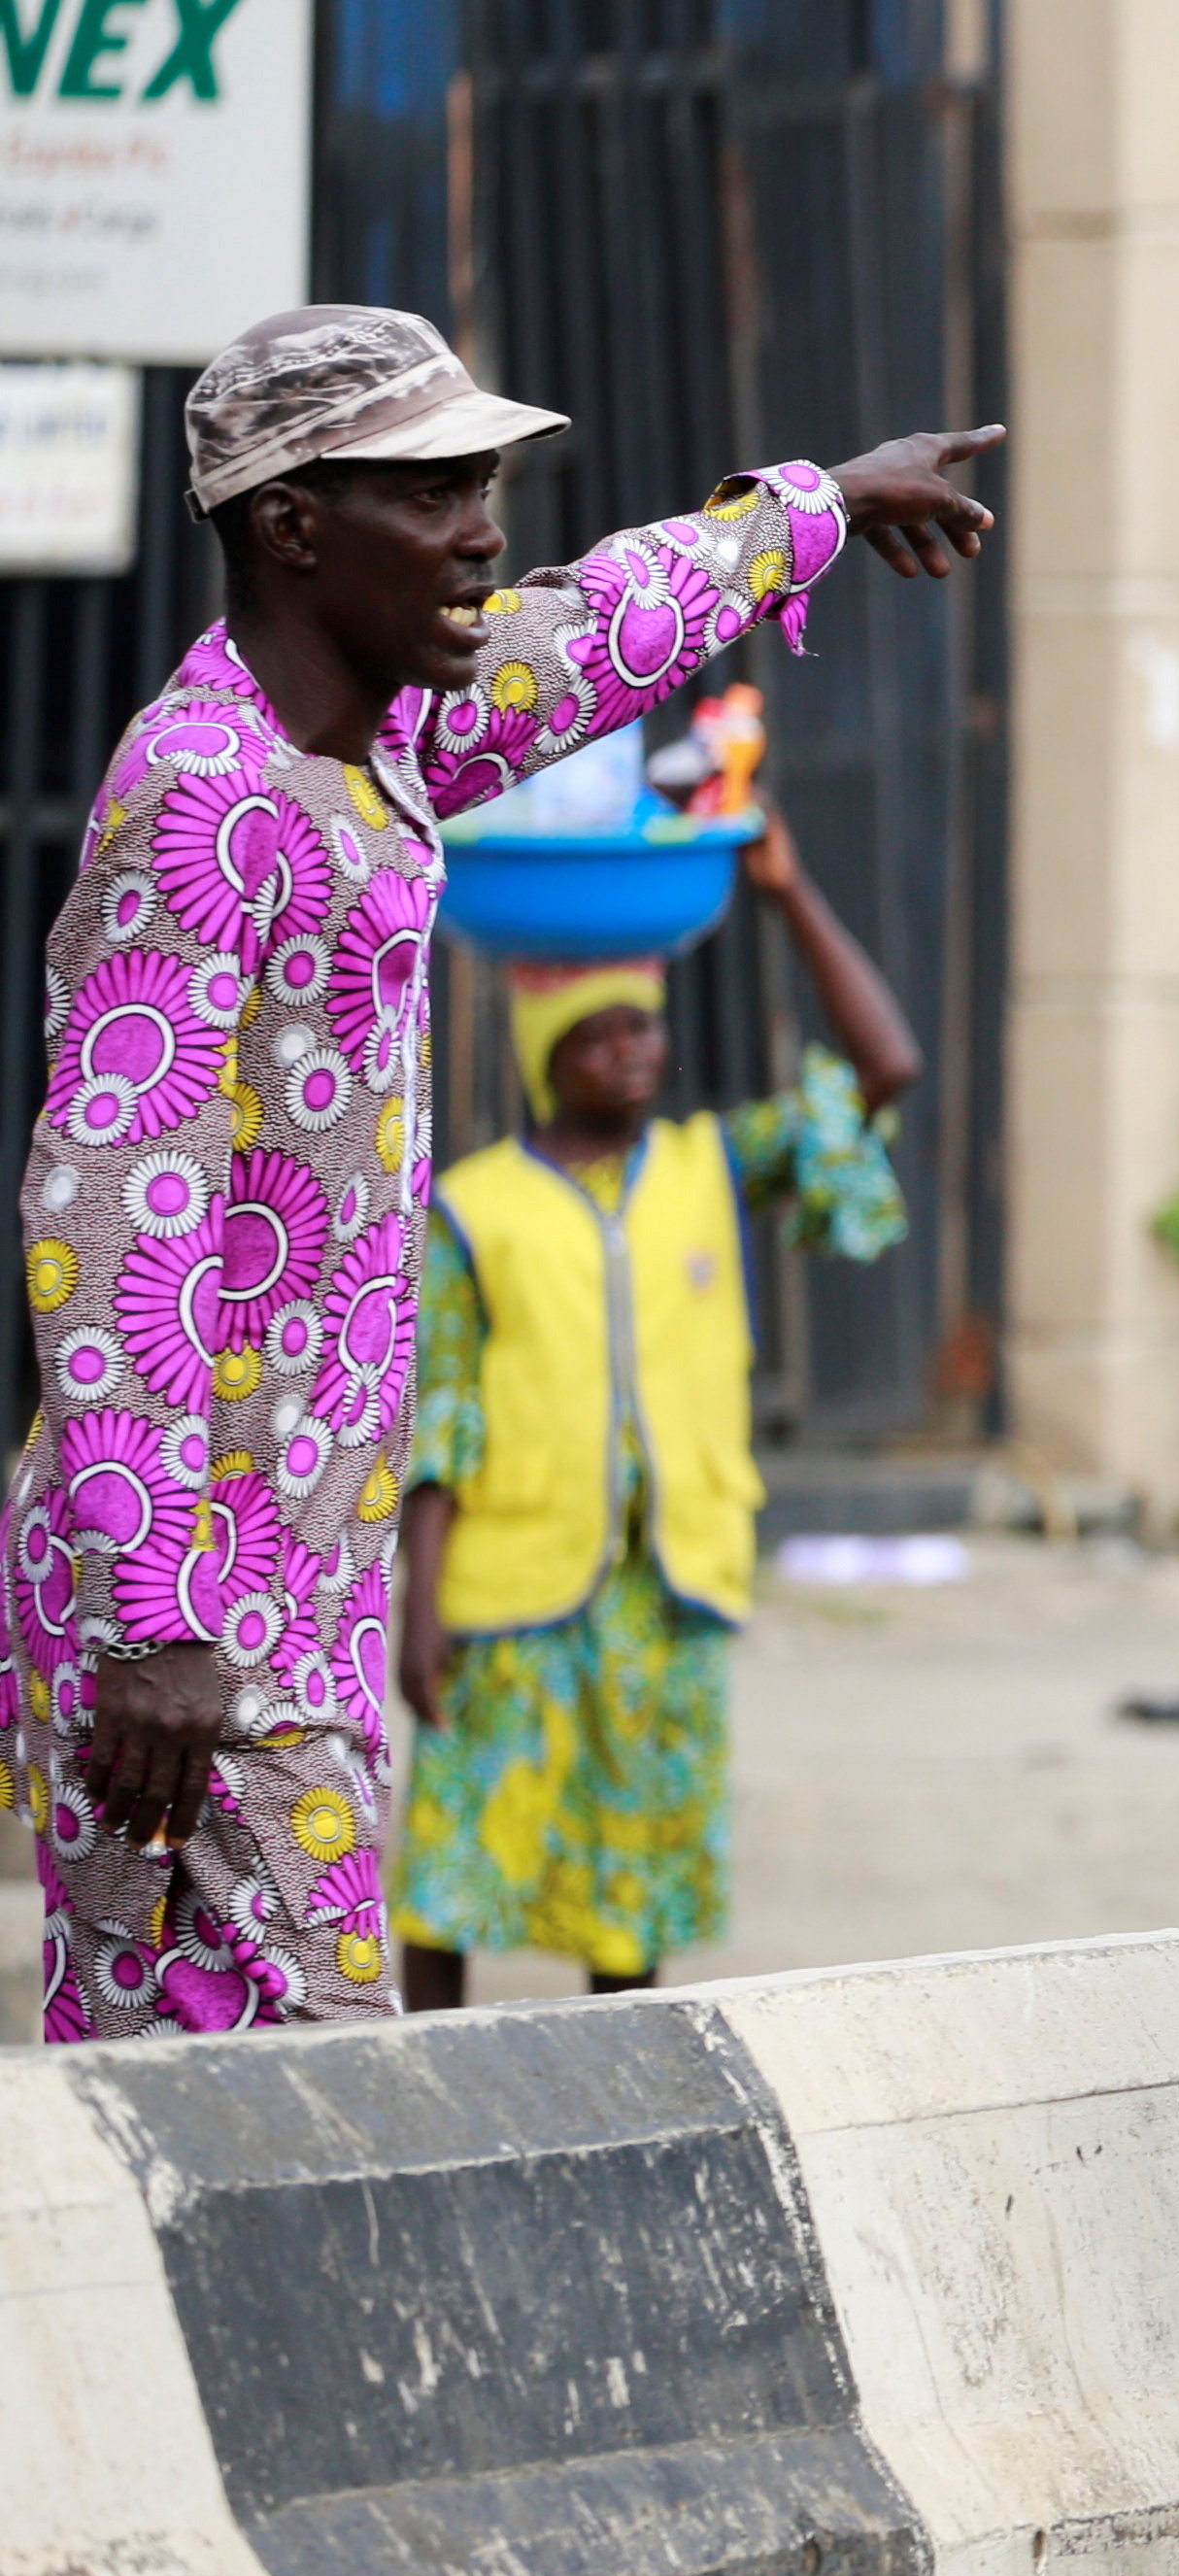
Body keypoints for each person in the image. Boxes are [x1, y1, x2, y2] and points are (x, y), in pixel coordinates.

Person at [13, 303, 995, 2044]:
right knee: (294, 2087)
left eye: (485, 487)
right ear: (291, 526)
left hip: (300, 1567)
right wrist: (154, 1612)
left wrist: (823, 503)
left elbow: (590, 630)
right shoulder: (203, 794)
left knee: (193, 2095)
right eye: (434, 494)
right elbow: (106, 1209)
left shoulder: (382, 743)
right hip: (192, 1590)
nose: (482, 534)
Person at [390, 805, 925, 2007]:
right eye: (602, 1033)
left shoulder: (712, 1167)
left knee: (630, 1883)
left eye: (645, 1026)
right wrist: (419, 1609)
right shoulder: (473, 1208)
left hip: (663, 1588)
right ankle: (415, 2064)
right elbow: (443, 1416)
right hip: (509, 1591)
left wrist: (787, 893)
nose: (634, 1050)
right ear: (547, 1056)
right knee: (454, 1866)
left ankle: (624, 2073)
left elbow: (884, 1069)